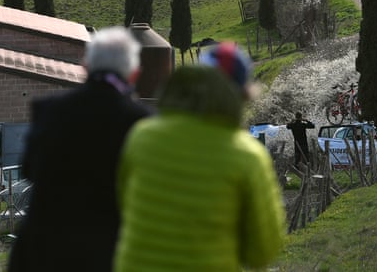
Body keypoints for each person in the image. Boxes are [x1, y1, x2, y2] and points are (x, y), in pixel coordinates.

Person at [113, 42, 285, 271]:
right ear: (242, 95)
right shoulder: (247, 155)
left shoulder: (142, 136)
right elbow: (263, 251)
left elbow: (124, 203)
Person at [9, 27, 152, 272]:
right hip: (107, 251)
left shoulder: (49, 110)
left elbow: (29, 170)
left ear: (85, 66)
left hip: (43, 251)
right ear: (134, 74)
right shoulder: (141, 122)